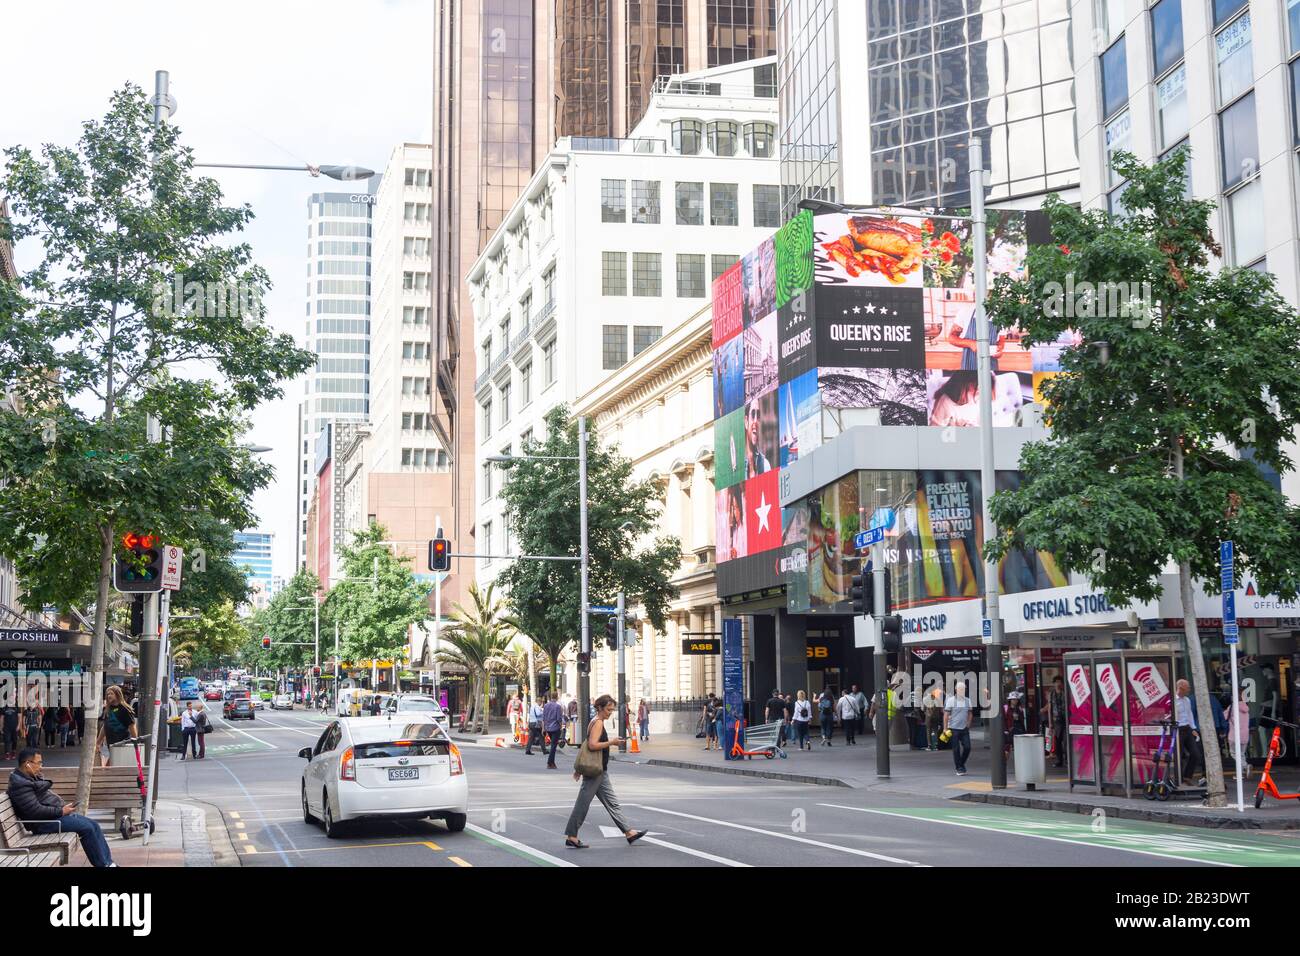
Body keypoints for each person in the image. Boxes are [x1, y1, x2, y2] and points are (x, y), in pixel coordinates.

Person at [563, 695, 647, 849]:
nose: (610, 712)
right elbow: (592, 745)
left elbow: (586, 746)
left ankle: (629, 832)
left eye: (612, 709)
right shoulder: (598, 723)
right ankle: (572, 836)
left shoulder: (595, 721)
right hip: (595, 771)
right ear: (600, 708)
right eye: (608, 709)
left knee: (612, 803)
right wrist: (612, 742)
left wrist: (579, 769)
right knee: (583, 803)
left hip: (600, 770)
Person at [8, 748, 116, 867]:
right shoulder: (19, 785)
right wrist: (60, 811)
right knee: (87, 829)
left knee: (94, 824)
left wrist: (61, 809)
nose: (41, 766)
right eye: (38, 763)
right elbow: (35, 811)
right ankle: (103, 865)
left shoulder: (28, 778)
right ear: (27, 764)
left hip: (50, 818)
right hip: (42, 823)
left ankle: (109, 863)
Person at [96, 685, 136, 767]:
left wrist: (135, 742)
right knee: (109, 768)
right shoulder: (108, 709)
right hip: (112, 745)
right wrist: (98, 742)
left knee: (110, 768)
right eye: (107, 694)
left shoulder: (125, 709)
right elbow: (105, 726)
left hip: (122, 745)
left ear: (117, 694)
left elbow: (132, 726)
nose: (108, 696)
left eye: (111, 693)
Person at [1175, 679, 1205, 785]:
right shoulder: (1173, 700)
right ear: (1181, 688)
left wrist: (1193, 728)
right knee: (1178, 755)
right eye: (1187, 687)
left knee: (1196, 754)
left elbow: (1189, 714)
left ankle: (1187, 776)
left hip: (1187, 729)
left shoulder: (1187, 700)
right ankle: (1178, 779)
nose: (1189, 689)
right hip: (1177, 729)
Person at [944, 680, 974, 775]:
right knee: (956, 749)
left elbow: (970, 713)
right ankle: (959, 768)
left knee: (968, 747)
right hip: (953, 728)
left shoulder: (967, 700)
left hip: (964, 728)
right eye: (960, 689)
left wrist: (969, 723)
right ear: (956, 690)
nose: (962, 691)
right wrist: (945, 728)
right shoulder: (951, 700)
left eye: (963, 689)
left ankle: (960, 764)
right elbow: (946, 715)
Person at [1228, 685, 1251, 779]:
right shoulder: (1246, 707)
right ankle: (1240, 774)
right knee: (1241, 754)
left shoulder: (1233, 707)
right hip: (1245, 735)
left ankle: (1245, 766)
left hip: (1235, 735)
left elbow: (1225, 716)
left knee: (1233, 753)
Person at [1043, 676, 1066, 769]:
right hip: (1056, 720)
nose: (1058, 684)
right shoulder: (1051, 694)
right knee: (1057, 741)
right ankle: (1059, 760)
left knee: (1066, 740)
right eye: (1056, 682)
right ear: (1054, 683)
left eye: (1059, 682)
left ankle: (1067, 760)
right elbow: (1050, 709)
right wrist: (1050, 723)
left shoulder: (1065, 693)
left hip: (1065, 719)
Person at [542, 692, 566, 769]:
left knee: (553, 744)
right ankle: (550, 762)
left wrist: (543, 728)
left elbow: (544, 718)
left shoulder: (546, 705)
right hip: (555, 727)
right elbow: (558, 718)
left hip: (548, 727)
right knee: (553, 746)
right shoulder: (558, 706)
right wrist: (561, 725)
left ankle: (552, 763)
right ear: (557, 697)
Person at [923, 686, 944, 751]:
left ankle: (929, 746)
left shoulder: (925, 698)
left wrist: (926, 712)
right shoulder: (938, 699)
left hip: (928, 717)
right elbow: (941, 709)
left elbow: (923, 708)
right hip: (936, 716)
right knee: (935, 730)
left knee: (928, 730)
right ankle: (935, 745)